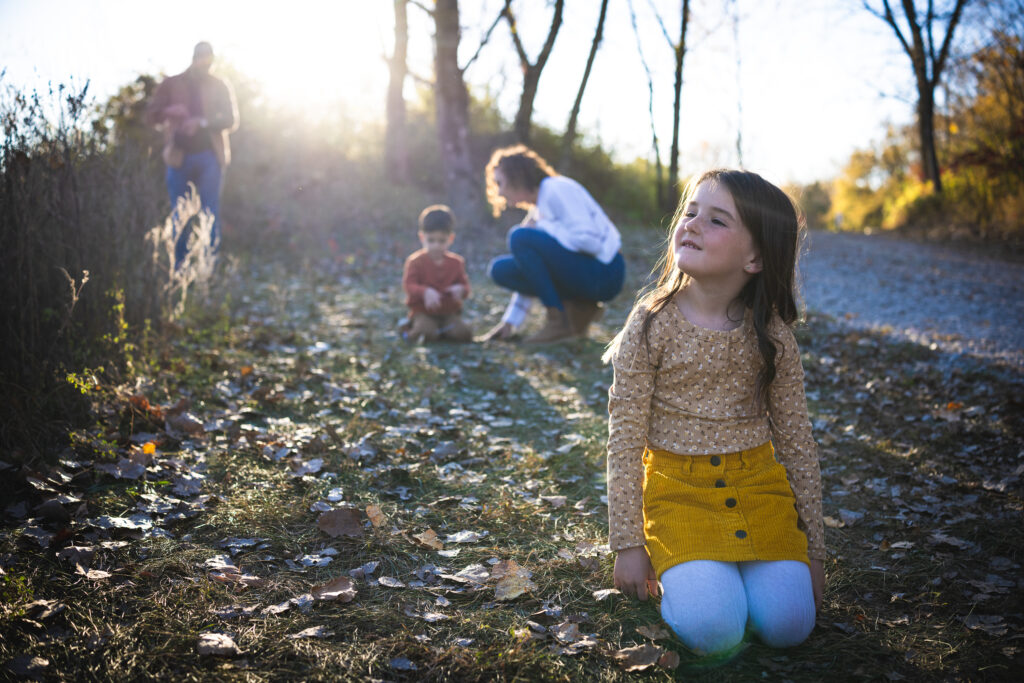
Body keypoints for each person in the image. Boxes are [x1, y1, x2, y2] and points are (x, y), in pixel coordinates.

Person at [603, 170, 825, 658]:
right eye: (690, 211)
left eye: (717, 219)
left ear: (756, 257)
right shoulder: (650, 324)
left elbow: (796, 441)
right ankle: (700, 582)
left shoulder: (772, 335)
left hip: (759, 490)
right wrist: (628, 544)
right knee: (715, 631)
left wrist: (813, 551)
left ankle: (752, 577)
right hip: (678, 495)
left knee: (790, 624)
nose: (693, 224)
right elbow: (624, 438)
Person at [479, 145, 625, 344]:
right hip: (584, 273)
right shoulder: (537, 210)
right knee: (501, 269)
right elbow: (532, 269)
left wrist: (542, 226)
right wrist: (510, 323)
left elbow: (590, 242)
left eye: (500, 183)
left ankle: (559, 322)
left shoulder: (556, 188)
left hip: (607, 273)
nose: (500, 192)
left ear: (517, 176)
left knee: (519, 237)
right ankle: (579, 310)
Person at [146, 41, 238, 268]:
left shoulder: (220, 85)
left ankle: (208, 271)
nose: (205, 64)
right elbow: (151, 115)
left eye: (209, 60)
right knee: (180, 215)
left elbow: (231, 120)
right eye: (201, 59)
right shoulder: (172, 84)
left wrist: (203, 122)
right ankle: (180, 272)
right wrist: (169, 111)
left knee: (210, 214)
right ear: (194, 58)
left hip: (210, 158)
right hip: (179, 157)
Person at [401, 205, 473, 343]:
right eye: (431, 240)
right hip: (423, 311)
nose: (436, 245)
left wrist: (461, 290)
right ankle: (407, 330)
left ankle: (444, 331)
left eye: (442, 241)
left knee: (463, 334)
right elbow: (409, 285)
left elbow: (465, 286)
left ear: (450, 238)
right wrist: (424, 292)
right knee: (426, 332)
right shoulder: (415, 261)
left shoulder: (456, 262)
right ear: (422, 237)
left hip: (449, 312)